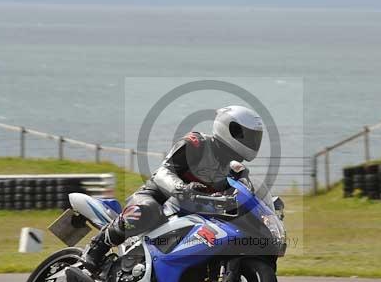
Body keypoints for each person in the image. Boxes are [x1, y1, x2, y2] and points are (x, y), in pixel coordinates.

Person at [80, 105, 264, 270]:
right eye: (248, 136)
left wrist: (267, 205)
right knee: (147, 210)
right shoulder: (196, 144)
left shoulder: (236, 170)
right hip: (159, 197)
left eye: (255, 137)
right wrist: (182, 188)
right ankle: (97, 246)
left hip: (195, 212)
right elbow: (163, 172)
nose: (252, 142)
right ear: (229, 128)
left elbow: (247, 193)